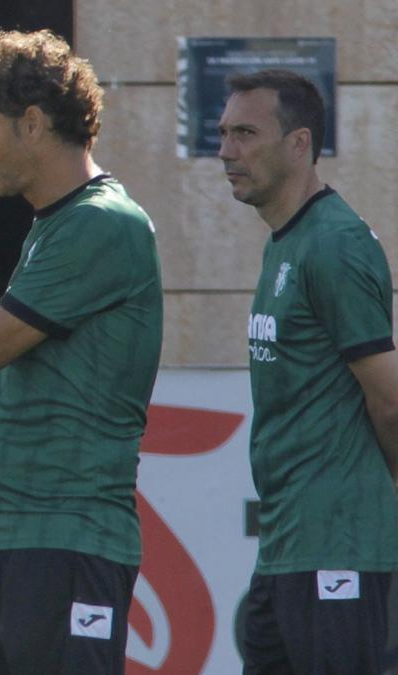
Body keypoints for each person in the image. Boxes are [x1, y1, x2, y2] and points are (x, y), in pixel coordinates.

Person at [0, 29, 162, 674]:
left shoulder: (102, 222)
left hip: (66, 542)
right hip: (10, 537)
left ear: (32, 124)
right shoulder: (56, 222)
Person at [217, 69, 398, 673]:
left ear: (298, 143)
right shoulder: (286, 241)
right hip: (286, 546)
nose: (226, 151)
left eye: (245, 133)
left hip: (339, 545)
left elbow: (390, 400)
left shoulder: (335, 245)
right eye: (223, 133)